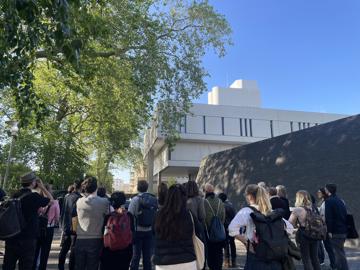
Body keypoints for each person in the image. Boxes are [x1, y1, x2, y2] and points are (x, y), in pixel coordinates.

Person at [228, 184, 293, 270]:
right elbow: (290, 228)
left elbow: (232, 229)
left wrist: (246, 242)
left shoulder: (246, 211)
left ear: (249, 196)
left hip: (256, 254)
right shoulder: (272, 212)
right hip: (274, 255)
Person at [3, 172, 53, 270]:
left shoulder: (14, 195)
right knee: (26, 266)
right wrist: (42, 187)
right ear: (33, 183)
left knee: (8, 266)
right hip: (28, 238)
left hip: (12, 236)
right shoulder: (33, 196)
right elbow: (51, 200)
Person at [153, 184, 197, 269]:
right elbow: (200, 236)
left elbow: (154, 233)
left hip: (163, 261)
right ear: (185, 198)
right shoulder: (189, 215)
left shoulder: (158, 215)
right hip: (187, 260)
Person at [74, 176, 110, 270]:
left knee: (79, 266)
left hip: (80, 238)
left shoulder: (79, 202)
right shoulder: (104, 202)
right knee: (93, 266)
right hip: (96, 239)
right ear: (96, 187)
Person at [100, 191, 134, 270]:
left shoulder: (108, 217)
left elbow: (103, 233)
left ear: (112, 203)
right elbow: (132, 233)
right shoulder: (129, 216)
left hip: (109, 252)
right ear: (124, 202)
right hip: (125, 251)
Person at [128, 180, 157, 270]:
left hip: (137, 231)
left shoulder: (135, 199)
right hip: (149, 231)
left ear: (138, 188)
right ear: (147, 187)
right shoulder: (153, 199)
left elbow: (130, 214)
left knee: (136, 256)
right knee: (147, 257)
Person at [289, 190, 321, 270]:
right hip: (315, 234)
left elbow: (290, 224)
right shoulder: (314, 208)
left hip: (303, 235)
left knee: (306, 258)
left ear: (298, 198)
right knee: (315, 258)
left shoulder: (297, 210)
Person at [33, 184, 60, 270]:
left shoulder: (38, 201)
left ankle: (33, 267)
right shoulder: (55, 202)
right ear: (49, 191)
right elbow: (57, 217)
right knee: (45, 252)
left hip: (37, 228)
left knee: (35, 250)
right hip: (49, 228)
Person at [58, 180, 82, 270]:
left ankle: (60, 267)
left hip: (66, 226)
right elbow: (75, 214)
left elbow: (63, 211)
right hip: (74, 227)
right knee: (73, 251)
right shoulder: (79, 198)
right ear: (81, 187)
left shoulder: (67, 197)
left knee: (64, 249)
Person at [324, 183, 349, 270]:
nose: (325, 190)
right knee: (340, 252)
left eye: (325, 189)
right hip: (343, 230)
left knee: (337, 253)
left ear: (328, 191)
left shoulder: (329, 201)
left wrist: (329, 231)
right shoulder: (340, 200)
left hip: (335, 231)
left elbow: (329, 217)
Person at [204, 183, 225, 270]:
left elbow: (203, 218)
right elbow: (223, 216)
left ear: (205, 191)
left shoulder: (204, 202)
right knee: (219, 254)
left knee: (211, 255)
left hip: (209, 234)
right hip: (219, 232)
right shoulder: (220, 201)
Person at [317, 188, 335, 269]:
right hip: (325, 228)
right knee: (329, 248)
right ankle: (333, 264)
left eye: (319, 192)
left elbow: (325, 216)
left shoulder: (326, 203)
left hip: (326, 228)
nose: (318, 193)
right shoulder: (323, 202)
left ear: (324, 193)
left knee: (329, 248)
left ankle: (334, 265)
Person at [218, 193, 237, 268]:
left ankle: (227, 262)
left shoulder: (222, 206)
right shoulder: (231, 205)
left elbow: (222, 217)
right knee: (232, 243)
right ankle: (234, 261)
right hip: (232, 227)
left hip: (225, 226)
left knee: (226, 244)